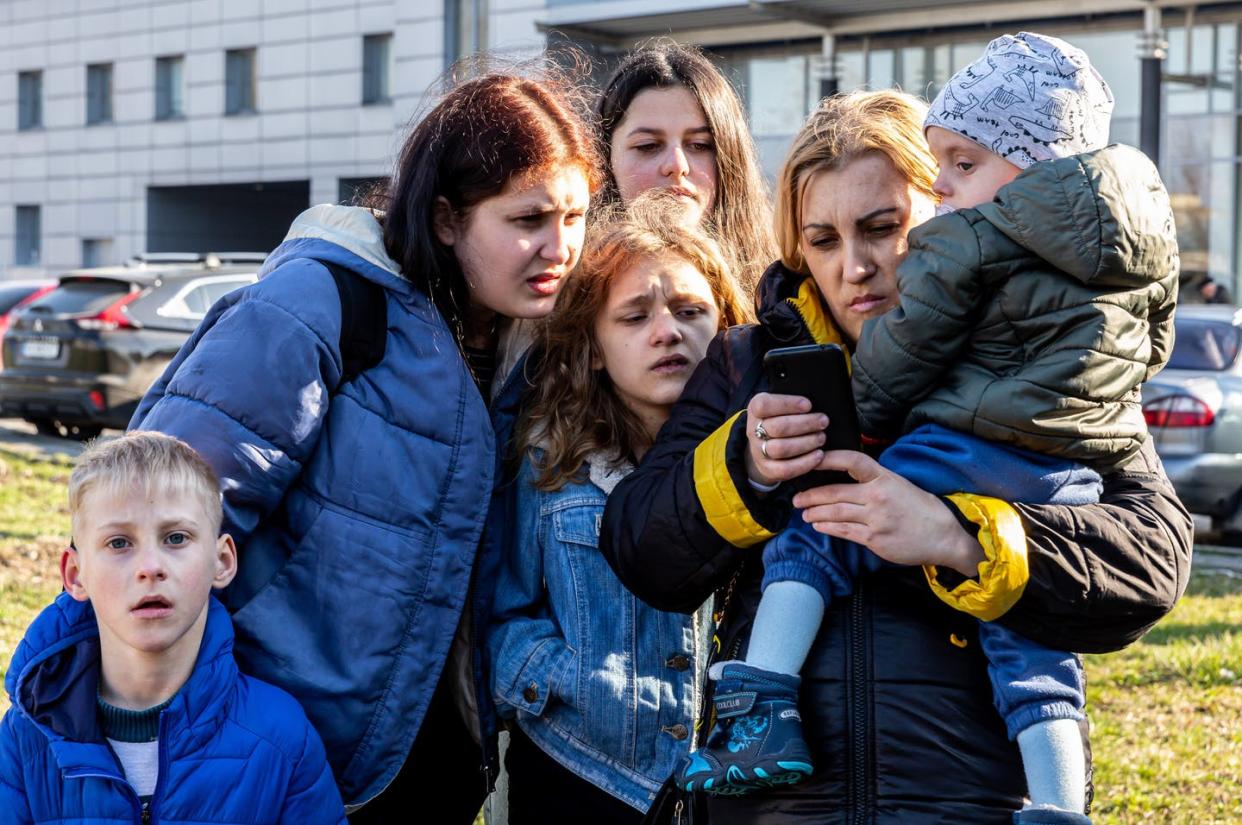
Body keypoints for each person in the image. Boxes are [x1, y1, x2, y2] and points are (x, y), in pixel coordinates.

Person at [600, 87, 1193, 824]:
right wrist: (745, 465)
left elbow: (1153, 557)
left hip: (972, 803)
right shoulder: (749, 360)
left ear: (946, 205)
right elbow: (636, 547)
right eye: (822, 240)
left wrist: (958, 534)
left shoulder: (1041, 357)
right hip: (777, 809)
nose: (855, 266)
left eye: (883, 228)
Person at [129, 70, 602, 821]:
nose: (561, 247)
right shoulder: (320, 304)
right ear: (446, 218)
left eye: (575, 216)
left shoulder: (538, 348)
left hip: (433, 766)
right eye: (530, 219)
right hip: (272, 758)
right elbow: (159, 516)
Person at [486, 194, 753, 823]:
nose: (668, 332)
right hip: (578, 769)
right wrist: (575, 682)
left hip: (724, 782)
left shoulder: (761, 455)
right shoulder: (551, 462)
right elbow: (500, 613)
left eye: (692, 311)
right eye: (634, 317)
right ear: (595, 347)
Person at [0, 432, 346, 824]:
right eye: (118, 543)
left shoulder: (283, 739)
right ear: (76, 575)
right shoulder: (23, 741)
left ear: (222, 561)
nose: (151, 566)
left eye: (175, 538)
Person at [596, 40, 776, 292]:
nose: (677, 166)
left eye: (700, 145)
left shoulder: (787, 292)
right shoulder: (557, 298)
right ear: (605, 159)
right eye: (648, 146)